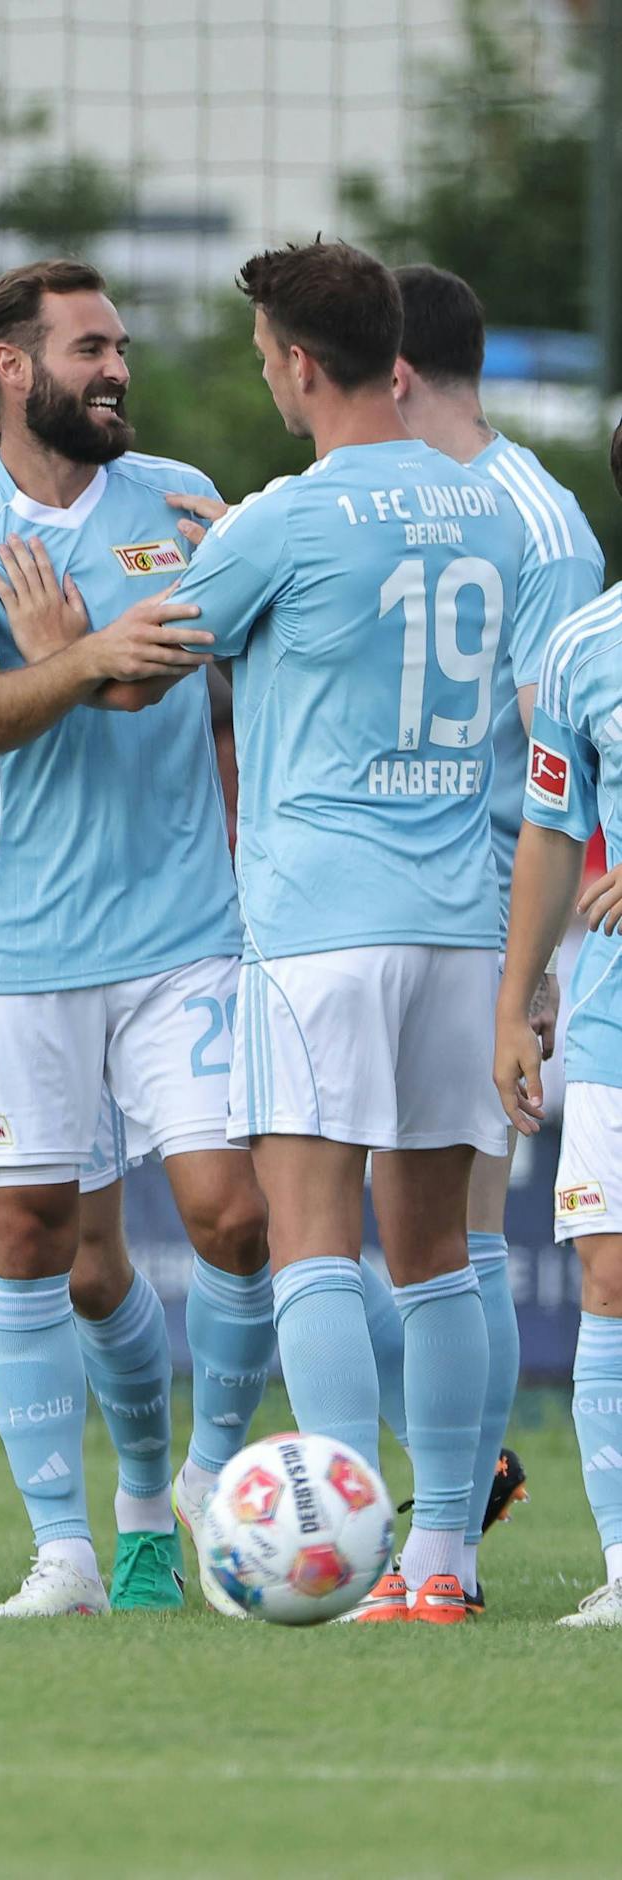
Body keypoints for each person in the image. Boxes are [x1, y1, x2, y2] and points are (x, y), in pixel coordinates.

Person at [0, 259, 275, 1620]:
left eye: (119, 347)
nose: (116, 369)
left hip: (186, 934)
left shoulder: (182, 503)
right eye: (90, 348)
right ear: (13, 367)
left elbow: (196, 666)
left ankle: (207, 1501)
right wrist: (93, 661)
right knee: (34, 1241)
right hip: (14, 946)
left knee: (236, 1220)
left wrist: (84, 659)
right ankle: (64, 1550)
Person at [164, 240, 524, 1623]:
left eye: (265, 358)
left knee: (317, 1240)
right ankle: (445, 1560)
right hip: (458, 923)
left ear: (301, 365)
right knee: (436, 1255)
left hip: (319, 926)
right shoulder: (487, 505)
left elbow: (159, 647)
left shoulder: (283, 519)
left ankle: (342, 1547)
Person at [370, 264, 600, 1608]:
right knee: (417, 1228)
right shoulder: (428, 508)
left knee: (457, 1224)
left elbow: (579, 738)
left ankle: (452, 1513)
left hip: (497, 911)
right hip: (423, 901)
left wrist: (549, 948)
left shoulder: (533, 523)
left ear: (390, 374)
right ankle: (453, 1493)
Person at [497, 419, 622, 1625]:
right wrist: (516, 998)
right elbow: (545, 834)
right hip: (612, 1017)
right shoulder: (583, 649)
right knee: (608, 1280)